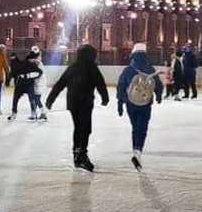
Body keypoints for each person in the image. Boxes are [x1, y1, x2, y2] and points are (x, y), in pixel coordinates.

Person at [45, 44, 109, 172]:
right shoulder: (92, 67)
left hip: (73, 103)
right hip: (85, 103)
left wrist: (50, 99)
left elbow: (60, 84)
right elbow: (100, 83)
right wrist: (105, 97)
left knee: (78, 127)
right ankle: (82, 155)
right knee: (85, 129)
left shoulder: (72, 68)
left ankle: (77, 154)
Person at [117, 43, 163, 171]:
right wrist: (158, 96)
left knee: (135, 128)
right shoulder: (150, 69)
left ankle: (135, 149)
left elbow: (121, 86)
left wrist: (120, 103)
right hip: (145, 103)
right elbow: (158, 84)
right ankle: (137, 151)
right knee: (142, 128)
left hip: (130, 103)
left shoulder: (128, 70)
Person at [7, 53, 42, 122]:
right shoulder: (23, 64)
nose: (34, 61)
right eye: (33, 59)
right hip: (22, 84)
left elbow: (40, 72)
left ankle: (33, 112)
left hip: (27, 84)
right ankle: (15, 112)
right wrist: (9, 80)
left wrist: (30, 75)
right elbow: (14, 72)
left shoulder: (33, 64)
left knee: (30, 99)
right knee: (17, 98)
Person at [28, 46, 48, 121]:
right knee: (32, 99)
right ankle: (34, 114)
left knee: (36, 99)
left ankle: (43, 113)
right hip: (35, 84)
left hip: (39, 84)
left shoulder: (38, 63)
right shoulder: (34, 62)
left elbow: (37, 74)